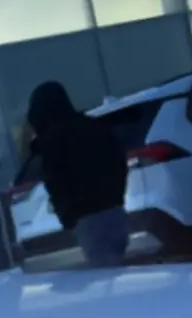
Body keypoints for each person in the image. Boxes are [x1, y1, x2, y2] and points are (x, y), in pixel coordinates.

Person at [25, 81, 130, 268]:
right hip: (114, 211)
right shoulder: (95, 127)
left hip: (87, 218)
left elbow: (56, 182)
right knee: (119, 266)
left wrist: (67, 218)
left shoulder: (52, 142)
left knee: (104, 269)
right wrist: (117, 197)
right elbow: (119, 163)